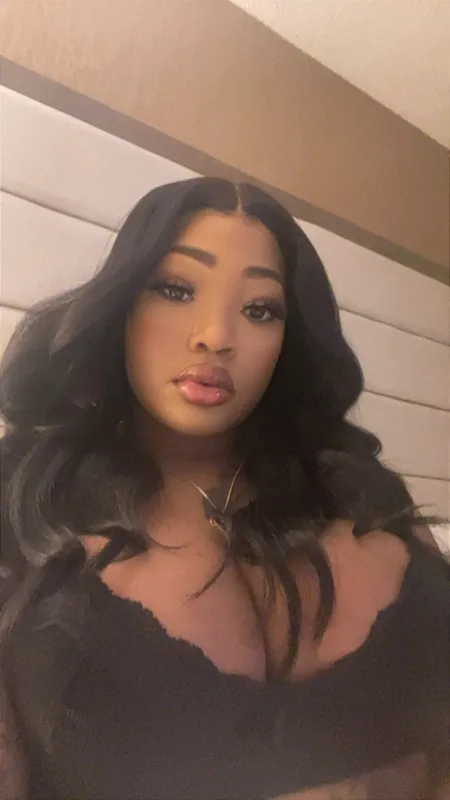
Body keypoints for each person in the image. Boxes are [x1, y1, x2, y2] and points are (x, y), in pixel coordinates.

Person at [0, 177, 448, 800]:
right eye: (176, 289)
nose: (215, 335)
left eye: (260, 309)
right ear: (121, 304)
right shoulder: (27, 499)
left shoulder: (365, 495)